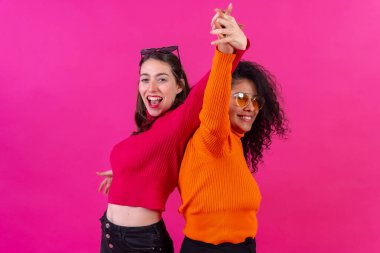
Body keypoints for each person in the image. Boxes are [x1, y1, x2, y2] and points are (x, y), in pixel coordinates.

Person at [97, 5, 249, 253]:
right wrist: (124, 172)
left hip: (142, 244)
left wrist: (234, 50)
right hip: (109, 236)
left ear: (179, 86)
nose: (152, 87)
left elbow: (209, 87)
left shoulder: (178, 122)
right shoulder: (147, 130)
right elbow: (150, 161)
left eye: (162, 79)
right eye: (145, 79)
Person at [178, 11, 288, 253]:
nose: (250, 106)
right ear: (220, 100)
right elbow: (213, 110)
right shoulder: (211, 138)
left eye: (256, 101)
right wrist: (226, 53)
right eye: (240, 98)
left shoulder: (234, 143)